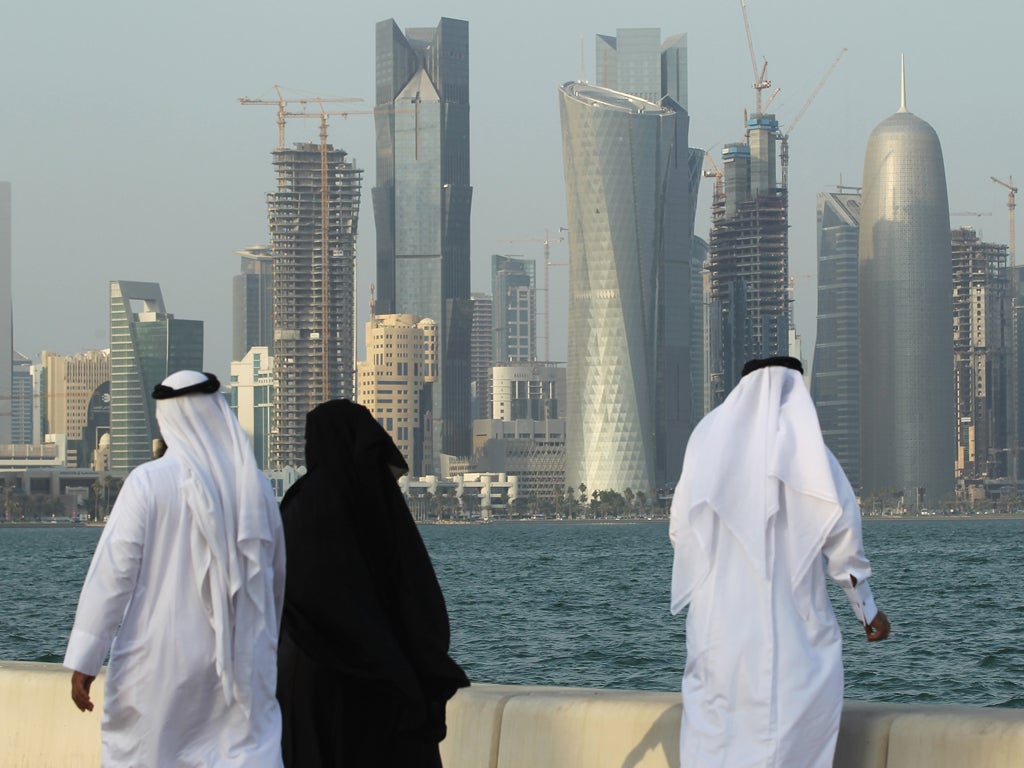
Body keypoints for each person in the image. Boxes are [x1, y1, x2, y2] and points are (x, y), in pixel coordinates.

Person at [669, 356, 890, 768]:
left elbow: (680, 532)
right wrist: (868, 612)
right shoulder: (812, 456)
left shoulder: (705, 447)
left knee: (715, 742)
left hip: (719, 637)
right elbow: (845, 546)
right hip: (796, 642)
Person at [64, 370, 286, 767]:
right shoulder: (254, 487)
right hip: (238, 666)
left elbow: (113, 577)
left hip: (157, 664)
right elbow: (274, 581)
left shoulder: (148, 481)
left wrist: (86, 658)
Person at [276, 399, 469, 767]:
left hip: (314, 677)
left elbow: (296, 592)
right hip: (383, 680)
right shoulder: (380, 504)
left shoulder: (302, 505)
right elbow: (415, 596)